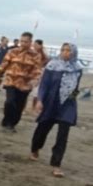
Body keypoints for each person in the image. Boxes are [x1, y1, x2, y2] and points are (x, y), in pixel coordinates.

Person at [30, 43, 82, 177]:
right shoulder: (52, 66)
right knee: (42, 129)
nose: (65, 53)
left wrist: (73, 96)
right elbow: (44, 85)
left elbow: (76, 88)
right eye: (63, 50)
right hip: (51, 103)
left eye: (68, 50)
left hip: (67, 104)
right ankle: (35, 148)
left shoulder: (77, 69)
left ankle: (56, 164)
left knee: (63, 135)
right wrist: (40, 100)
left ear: (74, 53)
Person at [0, 32, 42, 132]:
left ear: (30, 42)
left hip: (25, 84)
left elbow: (37, 70)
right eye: (21, 41)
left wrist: (34, 80)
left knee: (19, 106)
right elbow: (4, 64)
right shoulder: (12, 52)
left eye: (26, 42)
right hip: (11, 81)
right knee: (9, 102)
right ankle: (6, 121)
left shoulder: (35, 55)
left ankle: (12, 124)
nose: (23, 43)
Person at [31, 39, 49, 110]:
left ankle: (35, 107)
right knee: (34, 91)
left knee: (37, 90)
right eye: (33, 44)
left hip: (41, 73)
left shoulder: (43, 52)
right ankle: (33, 107)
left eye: (35, 45)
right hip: (34, 72)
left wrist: (40, 66)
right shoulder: (34, 52)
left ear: (40, 45)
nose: (34, 46)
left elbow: (46, 60)